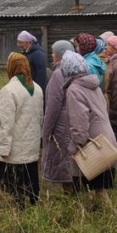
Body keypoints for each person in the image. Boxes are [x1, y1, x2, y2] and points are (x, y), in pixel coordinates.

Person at [61, 51, 117, 197]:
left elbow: (79, 122)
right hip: (104, 140)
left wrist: (77, 145)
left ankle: (99, 216)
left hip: (92, 145)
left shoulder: (74, 89)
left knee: (92, 188)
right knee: (101, 188)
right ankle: (105, 215)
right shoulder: (93, 84)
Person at [0, 53, 44, 208]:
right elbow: (40, 117)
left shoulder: (8, 90)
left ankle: (18, 205)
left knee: (16, 179)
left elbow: (5, 124)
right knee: (30, 173)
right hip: (32, 143)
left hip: (15, 147)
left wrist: (3, 148)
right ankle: (33, 201)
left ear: (11, 67)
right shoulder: (37, 88)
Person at [42, 40, 75, 193]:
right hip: (73, 121)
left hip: (61, 126)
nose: (52, 55)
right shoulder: (75, 70)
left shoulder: (58, 74)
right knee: (72, 159)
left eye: (53, 52)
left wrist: (46, 131)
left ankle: (70, 197)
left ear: (60, 54)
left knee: (63, 161)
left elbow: (52, 106)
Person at [17, 30, 48, 96]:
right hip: (28, 88)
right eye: (18, 43)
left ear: (27, 42)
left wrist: (37, 92)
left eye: (20, 42)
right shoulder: (26, 53)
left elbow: (41, 75)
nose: (19, 45)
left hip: (35, 91)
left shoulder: (38, 54)